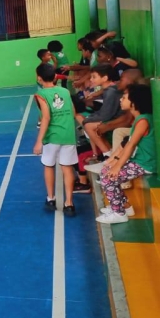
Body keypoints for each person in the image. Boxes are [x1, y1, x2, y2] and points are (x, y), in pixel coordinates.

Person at [94, 84, 155, 224]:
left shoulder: (143, 121)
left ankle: (119, 213)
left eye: (124, 97)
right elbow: (127, 143)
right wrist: (113, 161)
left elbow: (131, 145)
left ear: (134, 102)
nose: (121, 99)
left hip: (145, 164)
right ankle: (125, 207)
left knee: (108, 178)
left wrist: (117, 166)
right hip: (140, 161)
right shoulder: (140, 119)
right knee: (106, 172)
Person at [33, 64, 77, 217]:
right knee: (67, 168)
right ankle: (69, 204)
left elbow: (46, 117)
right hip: (68, 135)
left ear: (39, 78)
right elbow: (73, 112)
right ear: (55, 77)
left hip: (52, 136)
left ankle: (51, 199)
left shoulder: (40, 95)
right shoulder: (65, 91)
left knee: (49, 166)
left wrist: (39, 141)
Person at [76, 64, 122, 161]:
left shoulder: (111, 92)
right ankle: (108, 152)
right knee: (88, 123)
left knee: (89, 126)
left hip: (117, 120)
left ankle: (107, 154)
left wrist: (88, 120)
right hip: (112, 117)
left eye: (94, 77)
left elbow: (105, 115)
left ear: (105, 78)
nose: (91, 79)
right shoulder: (108, 90)